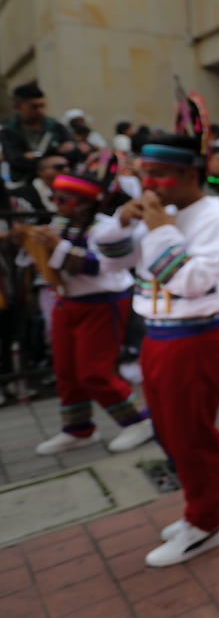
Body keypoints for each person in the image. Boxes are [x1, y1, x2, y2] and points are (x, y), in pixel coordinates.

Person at [95, 93, 219, 568]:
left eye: (157, 176)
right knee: (168, 429)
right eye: (142, 175)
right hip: (158, 337)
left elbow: (191, 283)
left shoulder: (217, 219)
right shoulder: (155, 213)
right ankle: (218, 500)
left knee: (188, 433)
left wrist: (159, 230)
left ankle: (206, 521)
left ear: (187, 175)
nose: (148, 186)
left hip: (196, 338)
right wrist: (121, 222)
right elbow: (110, 260)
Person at [20, 154, 154, 456]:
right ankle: (78, 430)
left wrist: (56, 247)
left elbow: (101, 266)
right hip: (67, 302)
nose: (56, 203)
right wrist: (28, 242)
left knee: (94, 371)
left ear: (85, 203)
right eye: (56, 197)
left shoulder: (105, 228)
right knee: (66, 370)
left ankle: (137, 422)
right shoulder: (60, 223)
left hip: (102, 302)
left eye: (64, 199)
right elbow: (43, 262)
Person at [1, 83, 75, 184]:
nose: (40, 111)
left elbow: (72, 152)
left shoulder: (56, 126)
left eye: (42, 106)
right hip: (25, 182)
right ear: (18, 107)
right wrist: (51, 157)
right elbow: (14, 159)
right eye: (34, 107)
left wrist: (35, 157)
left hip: (59, 181)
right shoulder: (9, 130)